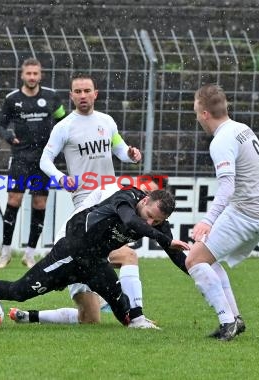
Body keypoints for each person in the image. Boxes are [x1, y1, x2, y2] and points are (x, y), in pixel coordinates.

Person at [0, 188, 190, 327]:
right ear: (145, 200)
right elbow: (131, 221)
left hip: (94, 263)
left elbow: (175, 254)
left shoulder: (157, 222)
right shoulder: (126, 198)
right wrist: (165, 238)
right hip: (70, 253)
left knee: (122, 309)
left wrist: (196, 271)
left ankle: (137, 322)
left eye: (157, 222)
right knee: (19, 292)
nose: (151, 224)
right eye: (150, 217)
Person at [39, 73, 161, 328]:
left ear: (96, 94)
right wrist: (61, 178)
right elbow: (45, 160)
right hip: (86, 204)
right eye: (77, 91)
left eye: (87, 91)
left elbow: (119, 149)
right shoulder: (64, 127)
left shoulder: (106, 122)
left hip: (111, 199)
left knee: (127, 256)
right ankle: (33, 315)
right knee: (91, 318)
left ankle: (135, 316)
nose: (82, 96)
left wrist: (130, 154)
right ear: (71, 95)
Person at [185, 84, 259, 341]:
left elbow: (227, 185)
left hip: (247, 213)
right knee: (207, 259)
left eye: (195, 110)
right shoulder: (241, 129)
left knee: (194, 260)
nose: (195, 116)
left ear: (204, 113)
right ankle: (234, 318)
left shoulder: (221, 140)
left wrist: (207, 221)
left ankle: (228, 323)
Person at [0, 58, 66, 269]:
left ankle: (30, 254)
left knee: (39, 204)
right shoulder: (12, 99)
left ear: (40, 75)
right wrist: (7, 135)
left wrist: (59, 141)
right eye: (29, 74)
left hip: (44, 160)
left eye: (36, 73)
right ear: (22, 75)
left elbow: (64, 121)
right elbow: (0, 125)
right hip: (21, 158)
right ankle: (5, 252)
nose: (32, 77)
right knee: (14, 200)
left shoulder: (51, 97)